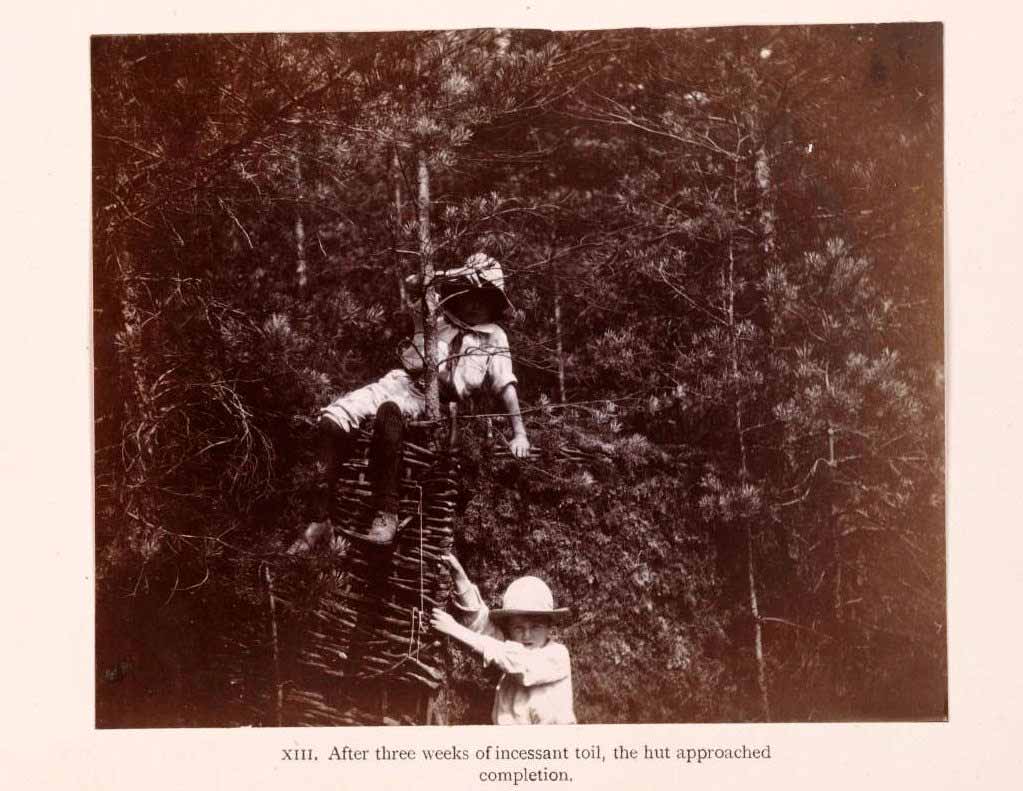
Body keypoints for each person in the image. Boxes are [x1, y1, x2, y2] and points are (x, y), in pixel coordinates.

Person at [298, 253, 530, 550]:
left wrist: (519, 433)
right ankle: (320, 518)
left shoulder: (494, 336)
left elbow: (505, 384)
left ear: (493, 303)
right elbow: (414, 283)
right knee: (332, 419)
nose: (473, 303)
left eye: (483, 297)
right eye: (468, 293)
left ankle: (387, 513)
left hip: (436, 403)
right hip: (400, 382)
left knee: (389, 415)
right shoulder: (435, 318)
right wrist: (456, 272)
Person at [430, 554, 576, 725]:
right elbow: (483, 629)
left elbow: (519, 663)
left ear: (549, 627)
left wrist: (455, 629)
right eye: (518, 628)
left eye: (535, 627)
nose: (526, 635)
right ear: (509, 629)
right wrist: (460, 578)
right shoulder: (509, 651)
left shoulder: (557, 656)